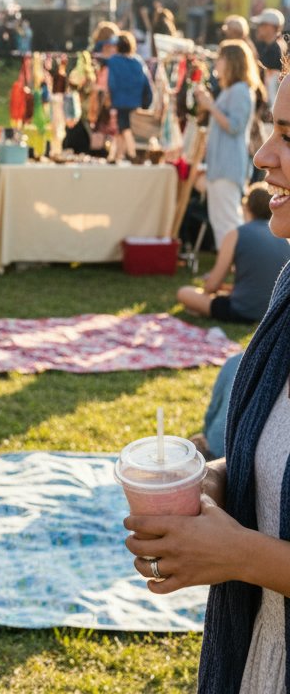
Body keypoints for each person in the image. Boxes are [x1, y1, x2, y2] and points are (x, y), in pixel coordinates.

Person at [122, 69, 290, 694]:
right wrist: (211, 480)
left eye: (289, 135)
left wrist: (242, 554)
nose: (262, 154)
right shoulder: (288, 290)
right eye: (271, 128)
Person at [177, 182, 290, 322]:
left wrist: (210, 286)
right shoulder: (284, 238)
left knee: (184, 292)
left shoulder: (236, 234)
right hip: (276, 313)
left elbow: (211, 286)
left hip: (242, 311)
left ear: (246, 207)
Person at [193, 38, 263, 247]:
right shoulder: (231, 90)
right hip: (220, 165)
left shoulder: (241, 90)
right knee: (220, 219)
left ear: (232, 61)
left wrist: (210, 105)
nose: (217, 63)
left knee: (228, 220)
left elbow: (234, 126)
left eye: (221, 59)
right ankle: (228, 265)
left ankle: (235, 264)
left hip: (228, 165)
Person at [105, 31, 153, 163]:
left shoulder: (114, 61)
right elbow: (147, 83)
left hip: (120, 101)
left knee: (124, 128)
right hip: (135, 101)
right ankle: (116, 155)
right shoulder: (138, 62)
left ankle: (133, 154)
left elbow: (112, 83)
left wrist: (110, 99)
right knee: (123, 128)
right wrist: (146, 102)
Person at [251, 7, 287, 108]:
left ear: (271, 27)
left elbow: (262, 73)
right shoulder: (264, 45)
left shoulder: (276, 49)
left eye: (261, 25)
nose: (259, 28)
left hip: (271, 105)